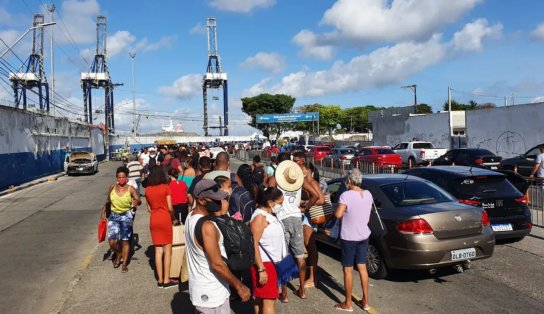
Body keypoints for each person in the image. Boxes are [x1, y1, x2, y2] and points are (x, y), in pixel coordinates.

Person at [185, 179, 251, 313]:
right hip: (212, 294)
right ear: (202, 200)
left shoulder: (190, 217)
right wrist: (239, 286)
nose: (220, 202)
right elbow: (217, 264)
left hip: (202, 289)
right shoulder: (207, 226)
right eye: (215, 200)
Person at [333, 169, 372, 312]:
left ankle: (348, 303)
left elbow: (338, 214)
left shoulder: (346, 195)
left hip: (349, 236)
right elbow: (367, 218)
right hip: (364, 234)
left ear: (349, 180)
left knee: (348, 269)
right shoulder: (368, 194)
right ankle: (365, 301)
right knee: (362, 267)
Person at [250, 188, 286, 313]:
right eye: (280, 203)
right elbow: (253, 243)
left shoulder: (269, 214)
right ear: (270, 202)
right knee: (269, 301)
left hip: (271, 263)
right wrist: (261, 269)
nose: (282, 205)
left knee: (262, 299)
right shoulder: (260, 217)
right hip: (265, 264)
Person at [100, 166, 140, 273]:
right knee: (112, 241)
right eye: (119, 177)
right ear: (116, 178)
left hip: (126, 216)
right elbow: (108, 201)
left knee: (125, 241)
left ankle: (124, 264)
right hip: (114, 216)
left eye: (123, 177)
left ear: (127, 178)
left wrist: (135, 203)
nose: (121, 179)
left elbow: (137, 198)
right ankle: (118, 253)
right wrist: (103, 213)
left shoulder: (130, 188)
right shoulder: (112, 187)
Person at [145, 165, 179, 288]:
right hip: (164, 218)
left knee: (158, 250)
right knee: (167, 251)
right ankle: (166, 279)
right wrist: (174, 218)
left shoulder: (147, 190)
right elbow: (170, 208)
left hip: (153, 219)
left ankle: (159, 280)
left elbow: (149, 208)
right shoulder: (166, 188)